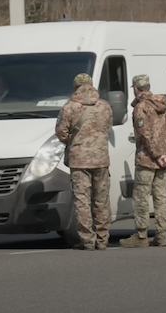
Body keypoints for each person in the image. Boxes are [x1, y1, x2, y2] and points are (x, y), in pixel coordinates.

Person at [55, 73, 113, 251]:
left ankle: (87, 240)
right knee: (101, 200)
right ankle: (103, 239)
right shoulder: (104, 106)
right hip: (101, 159)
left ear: (75, 88)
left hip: (79, 160)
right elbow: (108, 127)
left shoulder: (69, 108)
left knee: (82, 200)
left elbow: (61, 133)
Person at [119, 74, 166, 248]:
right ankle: (162, 234)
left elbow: (145, 135)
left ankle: (141, 234)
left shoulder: (141, 107)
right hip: (164, 160)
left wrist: (157, 155)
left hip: (146, 160)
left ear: (136, 89)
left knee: (142, 197)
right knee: (161, 197)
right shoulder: (163, 106)